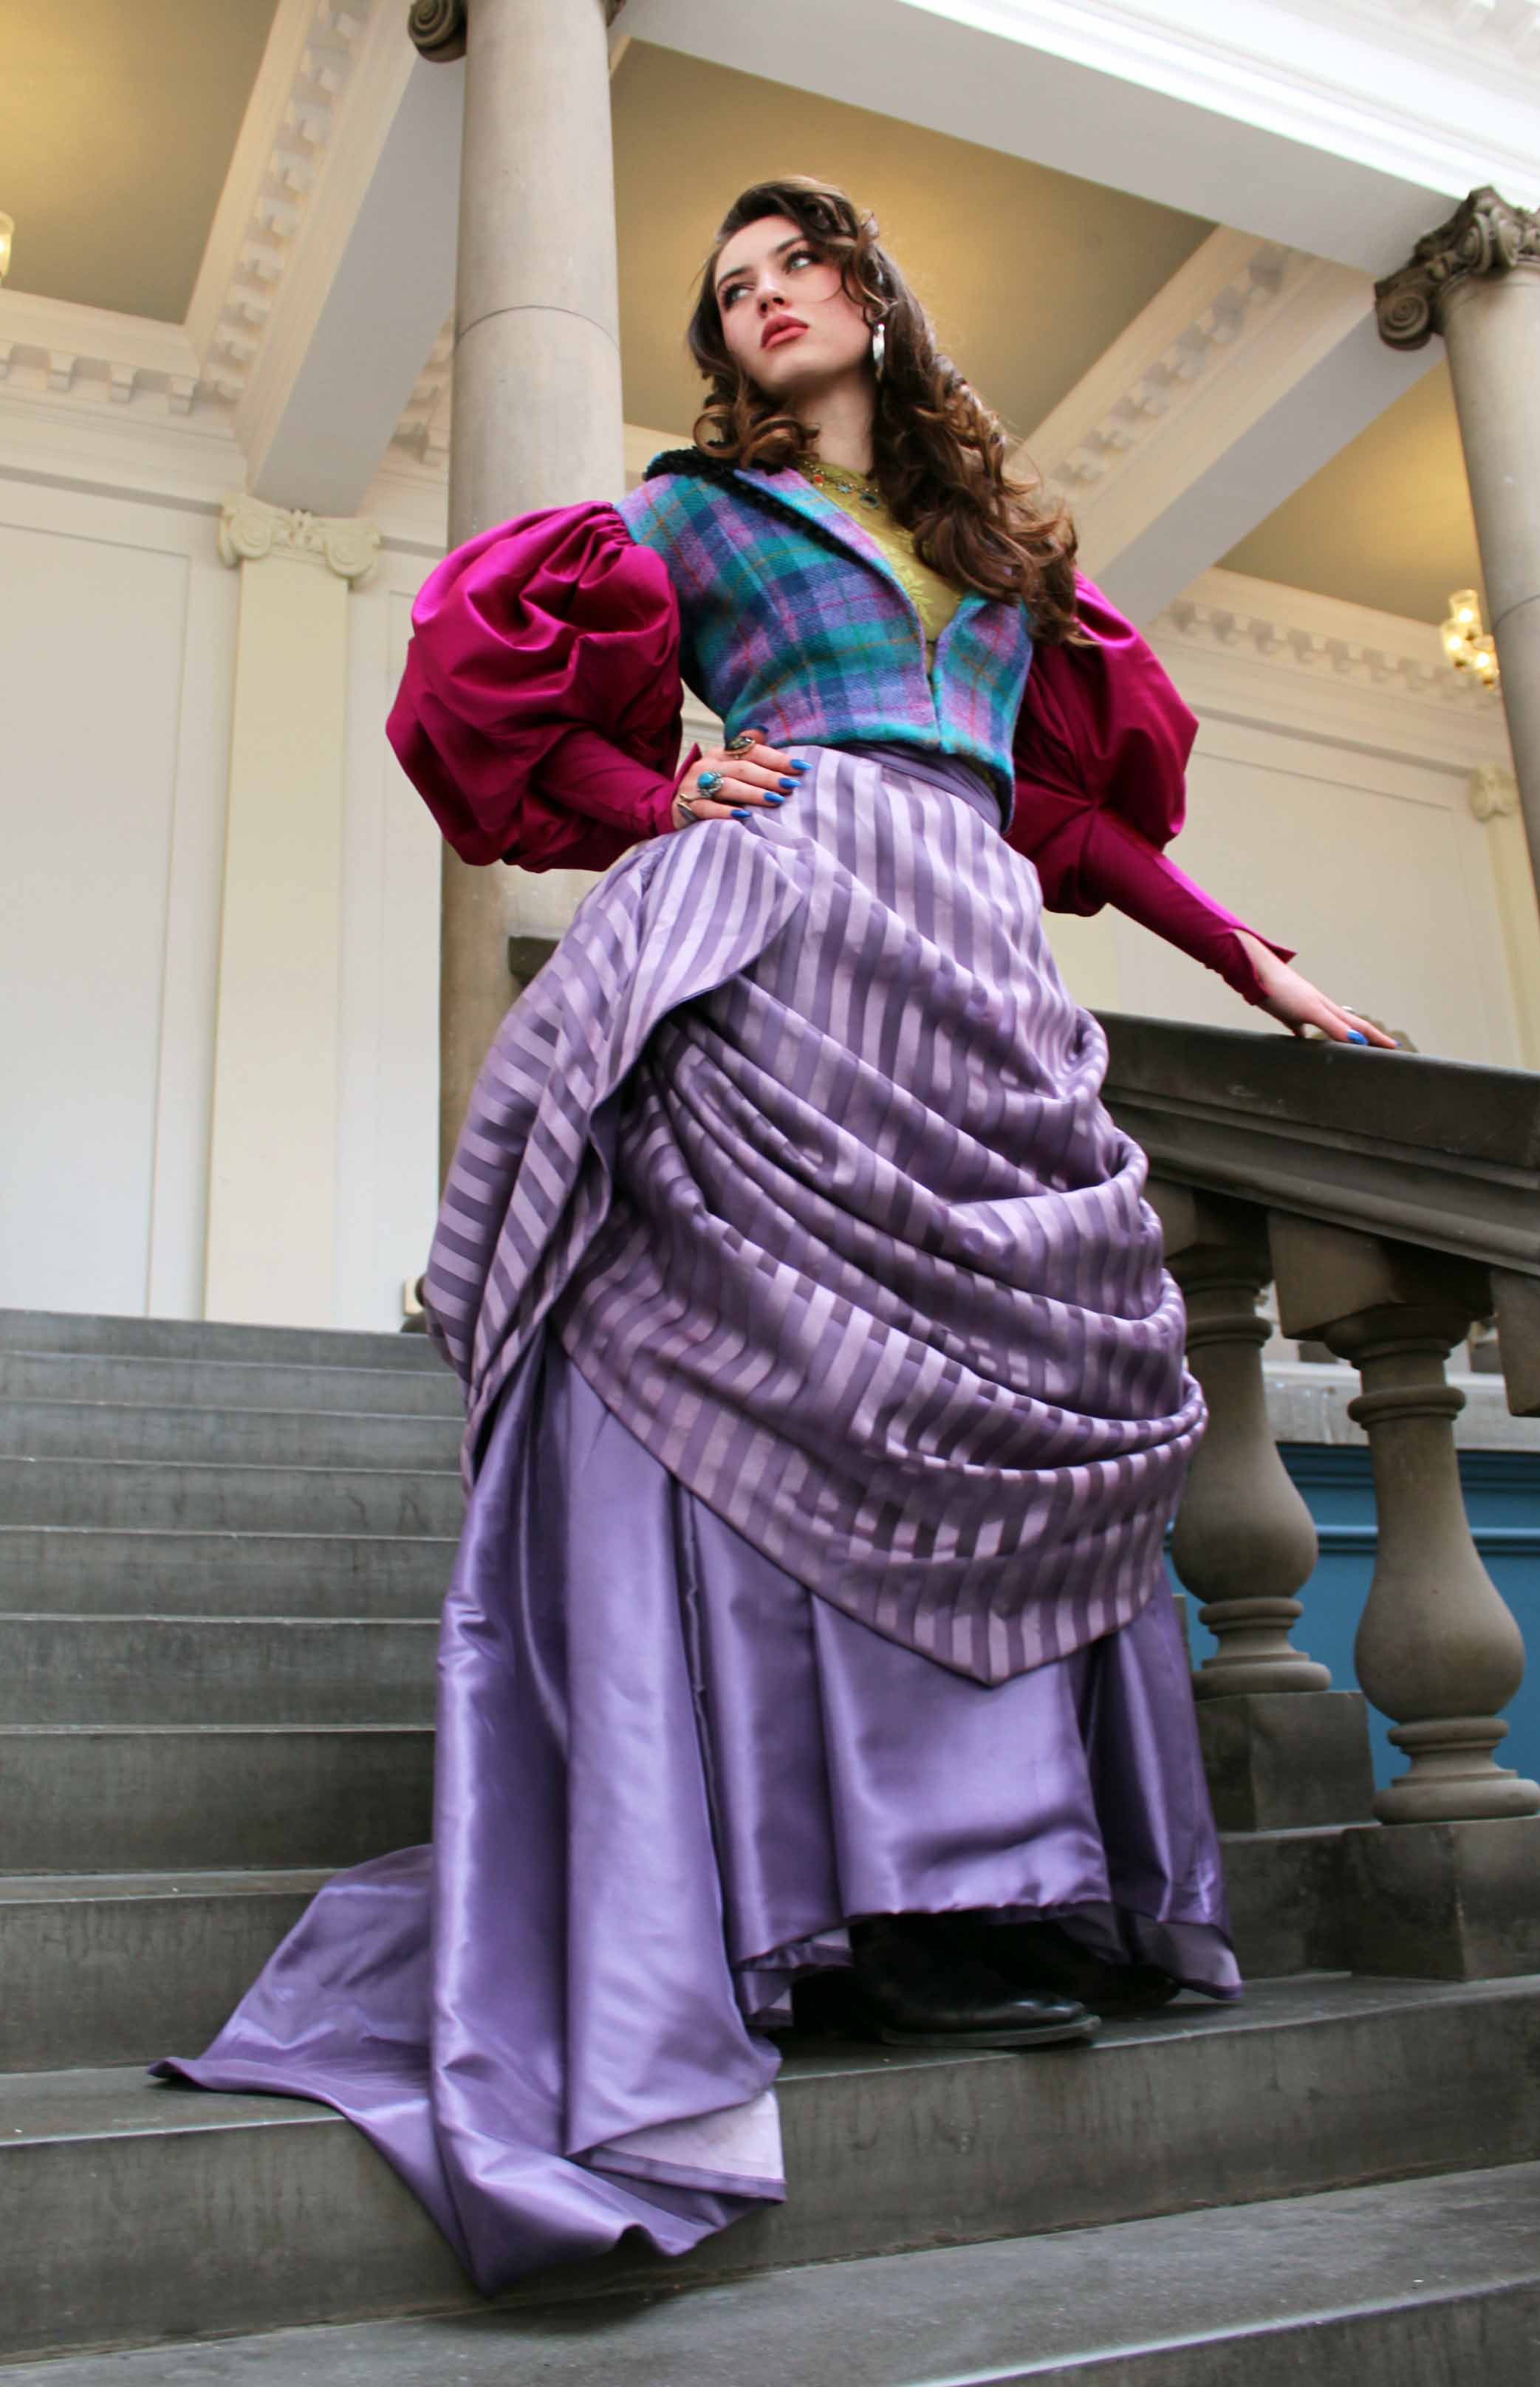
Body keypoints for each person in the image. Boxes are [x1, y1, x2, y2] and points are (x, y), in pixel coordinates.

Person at [152, 177, 1394, 2295]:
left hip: (979, 971)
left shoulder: (1008, 558)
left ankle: (1002, 1881)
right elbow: (477, 685)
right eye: (732, 289)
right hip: (793, 946)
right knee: (807, 1395)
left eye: (799, 265)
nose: (766, 299)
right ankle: (835, 1897)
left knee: (996, 1403)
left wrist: (1253, 958)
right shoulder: (687, 519)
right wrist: (663, 803)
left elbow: (1064, 815)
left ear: (872, 295)